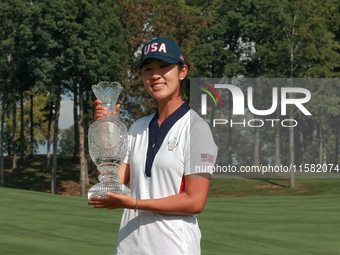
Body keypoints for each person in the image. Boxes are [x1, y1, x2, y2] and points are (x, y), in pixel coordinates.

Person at [88, 38, 218, 255]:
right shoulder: (138, 127)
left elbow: (195, 201)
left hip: (173, 247)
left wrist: (135, 203)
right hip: (128, 247)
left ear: (182, 71)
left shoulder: (196, 128)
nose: (155, 75)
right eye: (148, 69)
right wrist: (107, 129)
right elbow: (113, 181)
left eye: (164, 66)